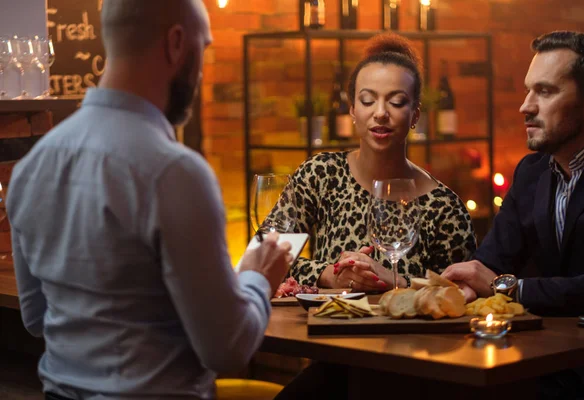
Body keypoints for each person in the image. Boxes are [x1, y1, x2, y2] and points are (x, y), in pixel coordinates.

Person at [6, 1, 292, 399]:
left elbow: (36, 318)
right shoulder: (175, 173)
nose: (203, 69)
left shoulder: (30, 167)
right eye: (203, 49)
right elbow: (227, 350)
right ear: (176, 44)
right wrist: (259, 275)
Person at [441, 31, 584, 399]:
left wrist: (512, 288)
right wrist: (403, 285)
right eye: (529, 90)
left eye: (545, 92)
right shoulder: (531, 172)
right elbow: (489, 265)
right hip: (543, 361)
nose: (525, 106)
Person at [267, 32, 476, 292]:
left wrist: (394, 281)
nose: (380, 113)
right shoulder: (320, 175)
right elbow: (263, 258)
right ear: (353, 109)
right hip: (326, 331)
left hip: (410, 334)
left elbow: (461, 293)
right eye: (367, 100)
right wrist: (328, 275)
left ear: (415, 115)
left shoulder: (445, 208)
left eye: (397, 102)